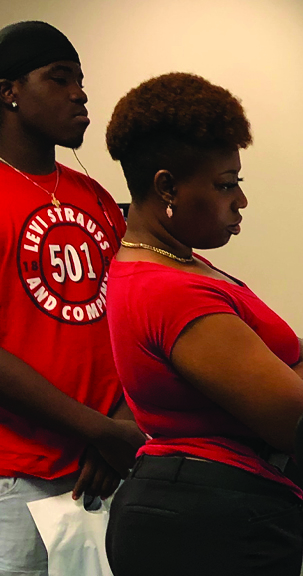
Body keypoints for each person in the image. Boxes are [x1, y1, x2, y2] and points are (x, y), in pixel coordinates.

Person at [102, 72, 303, 575]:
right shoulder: (172, 291)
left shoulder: (166, 263)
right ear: (166, 186)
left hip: (204, 509)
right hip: (217, 527)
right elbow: (301, 426)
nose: (239, 200)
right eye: (226, 185)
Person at [0, 21, 145, 576]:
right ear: (9, 91)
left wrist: (120, 422)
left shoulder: (97, 198)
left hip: (110, 467)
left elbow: (135, 316)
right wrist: (98, 429)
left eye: (81, 80)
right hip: (19, 482)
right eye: (59, 78)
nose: (80, 93)